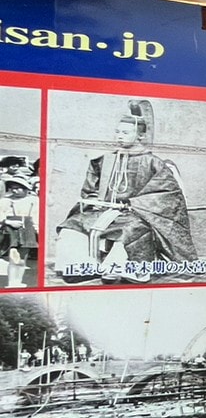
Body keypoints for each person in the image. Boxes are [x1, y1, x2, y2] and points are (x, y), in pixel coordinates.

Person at [55, 100, 196, 283]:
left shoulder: (154, 163)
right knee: (72, 224)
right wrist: (93, 201)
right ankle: (82, 267)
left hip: (137, 214)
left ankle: (124, 269)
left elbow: (167, 195)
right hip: (104, 211)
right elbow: (90, 190)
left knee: (131, 229)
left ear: (140, 136)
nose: (119, 136)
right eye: (117, 132)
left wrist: (133, 205)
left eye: (125, 133)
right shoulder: (103, 160)